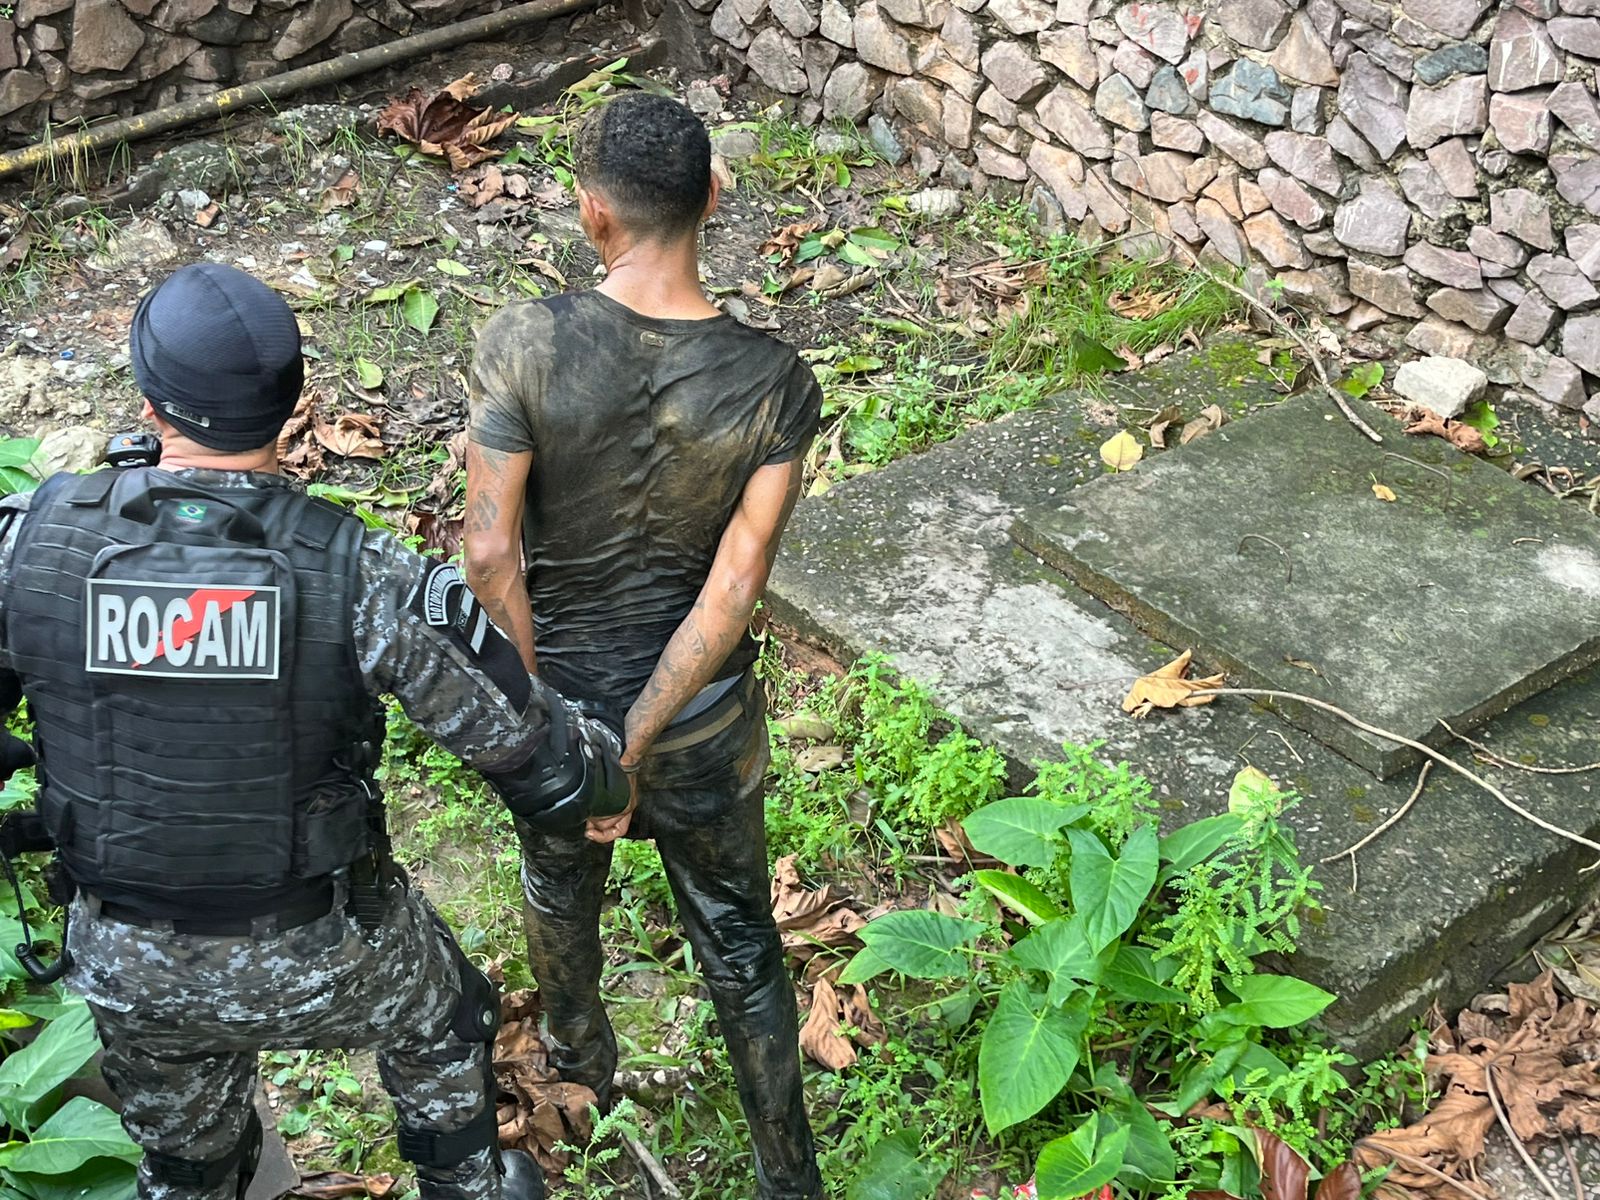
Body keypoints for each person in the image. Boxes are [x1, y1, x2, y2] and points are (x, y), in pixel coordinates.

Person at [0, 263, 635, 1200]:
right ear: (294, 410)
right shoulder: (357, 573)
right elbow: (534, 755)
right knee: (448, 1015)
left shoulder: (28, 544)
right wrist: (606, 778)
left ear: (148, 398)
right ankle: (464, 1182)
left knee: (184, 1158)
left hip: (125, 958)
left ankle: (193, 1175)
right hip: (325, 947)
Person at [463, 93, 823, 1199]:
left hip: (556, 712)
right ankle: (786, 1176)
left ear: (590, 214)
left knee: (558, 891)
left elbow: (487, 555)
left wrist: (561, 734)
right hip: (704, 728)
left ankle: (582, 1083)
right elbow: (735, 585)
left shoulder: (522, 342)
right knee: (739, 939)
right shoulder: (774, 383)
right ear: (714, 197)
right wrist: (640, 737)